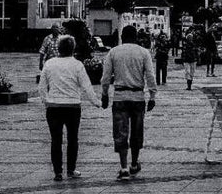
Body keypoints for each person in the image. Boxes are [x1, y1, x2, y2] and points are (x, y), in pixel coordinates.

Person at [101, 25, 158, 181]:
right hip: (138, 96)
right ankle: (134, 163)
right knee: (136, 132)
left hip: (120, 97)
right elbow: (150, 76)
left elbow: (106, 77)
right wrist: (152, 95)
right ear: (136, 37)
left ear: (122, 36)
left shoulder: (113, 52)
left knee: (120, 133)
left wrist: (105, 94)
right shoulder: (143, 52)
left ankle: (124, 167)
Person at [39, 36, 99, 181]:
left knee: (56, 140)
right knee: (73, 139)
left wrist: (46, 101)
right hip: (72, 106)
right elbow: (86, 87)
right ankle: (71, 169)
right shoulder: (77, 65)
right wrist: (96, 102)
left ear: (58, 48)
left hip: (54, 107)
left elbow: (42, 87)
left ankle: (58, 172)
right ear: (73, 48)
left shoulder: (49, 64)